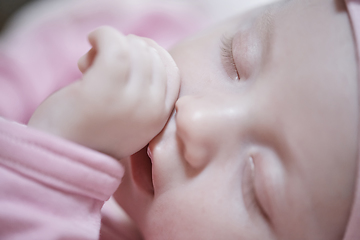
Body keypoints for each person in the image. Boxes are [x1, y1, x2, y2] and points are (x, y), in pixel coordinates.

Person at [1, 0, 360, 240]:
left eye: (256, 186)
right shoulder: (150, 31)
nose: (196, 119)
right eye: (235, 58)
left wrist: (59, 158)